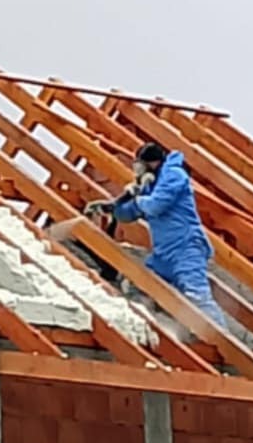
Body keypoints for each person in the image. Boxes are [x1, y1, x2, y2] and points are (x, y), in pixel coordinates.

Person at [84, 141, 229, 332]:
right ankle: (159, 328)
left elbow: (155, 205)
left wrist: (139, 198)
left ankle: (221, 338)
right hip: (164, 254)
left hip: (186, 248)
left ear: (152, 164)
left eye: (140, 166)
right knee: (141, 285)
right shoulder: (151, 186)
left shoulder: (173, 175)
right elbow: (129, 214)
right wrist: (112, 207)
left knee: (197, 297)